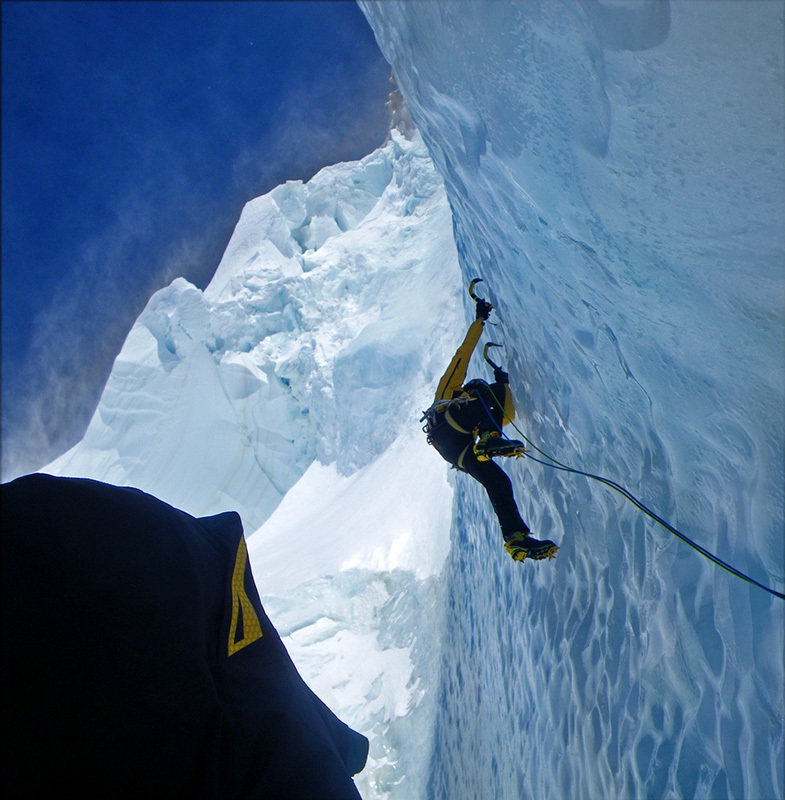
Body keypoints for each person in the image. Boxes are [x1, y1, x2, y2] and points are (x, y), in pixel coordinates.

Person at [422, 285, 559, 562]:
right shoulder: (449, 396)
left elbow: (503, 412)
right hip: (448, 426)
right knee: (487, 402)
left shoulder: (475, 408)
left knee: (497, 481)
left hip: (455, 449)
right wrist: (479, 321)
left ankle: (516, 539)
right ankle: (487, 440)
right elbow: (462, 356)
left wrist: (504, 384)